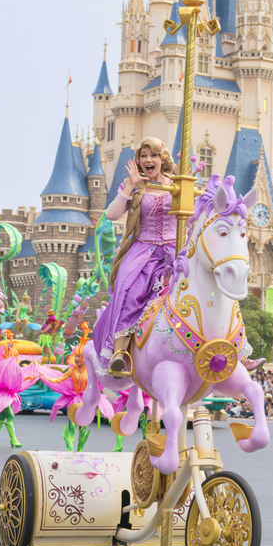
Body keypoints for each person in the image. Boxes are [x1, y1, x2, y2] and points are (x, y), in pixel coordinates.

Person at [93, 138, 176, 376]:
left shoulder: (177, 185)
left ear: (163, 159)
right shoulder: (135, 185)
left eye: (154, 155)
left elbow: (191, 219)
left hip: (172, 252)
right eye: (144, 155)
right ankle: (119, 354)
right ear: (139, 160)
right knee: (130, 291)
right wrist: (130, 186)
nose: (148, 160)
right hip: (144, 251)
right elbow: (112, 214)